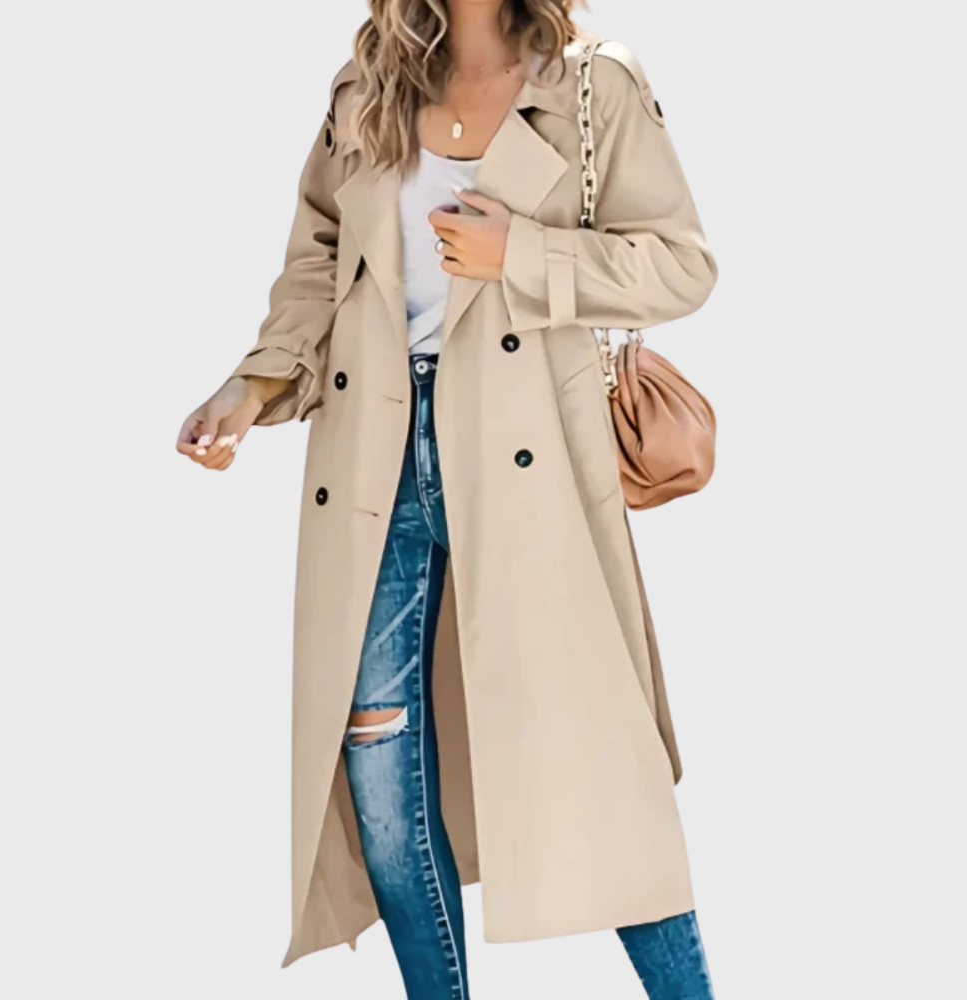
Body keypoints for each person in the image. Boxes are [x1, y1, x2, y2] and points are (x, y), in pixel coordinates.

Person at [176, 2, 718, 997]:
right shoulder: (367, 88)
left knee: (599, 772)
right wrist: (250, 388)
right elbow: (318, 267)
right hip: (374, 460)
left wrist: (525, 254)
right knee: (379, 775)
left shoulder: (590, 84)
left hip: (528, 462)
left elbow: (682, 264)